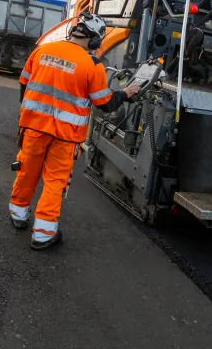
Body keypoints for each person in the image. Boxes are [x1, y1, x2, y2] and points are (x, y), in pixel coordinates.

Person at [9, 13, 141, 250]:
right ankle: (42, 235)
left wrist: (30, 115)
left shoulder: (41, 51)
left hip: (33, 127)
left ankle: (18, 215)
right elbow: (105, 103)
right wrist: (126, 93)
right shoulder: (92, 65)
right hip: (65, 136)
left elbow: (24, 84)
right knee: (54, 182)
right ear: (94, 40)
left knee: (27, 170)